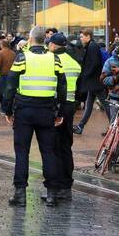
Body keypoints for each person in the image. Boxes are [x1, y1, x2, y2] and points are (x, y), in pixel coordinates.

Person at [1, 25, 66, 207]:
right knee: (48, 152)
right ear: (45, 39)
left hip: (24, 110)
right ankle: (52, 193)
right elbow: (62, 87)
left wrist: (7, 110)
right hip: (46, 110)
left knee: (22, 152)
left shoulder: (22, 57)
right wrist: (60, 112)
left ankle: (20, 193)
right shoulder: (54, 59)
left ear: (30, 39)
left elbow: (10, 86)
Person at [48, 33, 80, 201]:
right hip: (70, 106)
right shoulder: (74, 62)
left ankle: (55, 186)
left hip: (55, 106)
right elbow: (80, 88)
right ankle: (67, 186)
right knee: (66, 146)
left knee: (53, 148)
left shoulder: (51, 61)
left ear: (53, 45)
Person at [74, 29, 106, 134]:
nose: (81, 38)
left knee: (104, 103)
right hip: (93, 82)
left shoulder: (92, 46)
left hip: (94, 82)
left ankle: (113, 127)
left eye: (82, 36)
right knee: (89, 104)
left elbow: (95, 63)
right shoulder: (91, 46)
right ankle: (81, 126)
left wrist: (86, 74)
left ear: (88, 36)